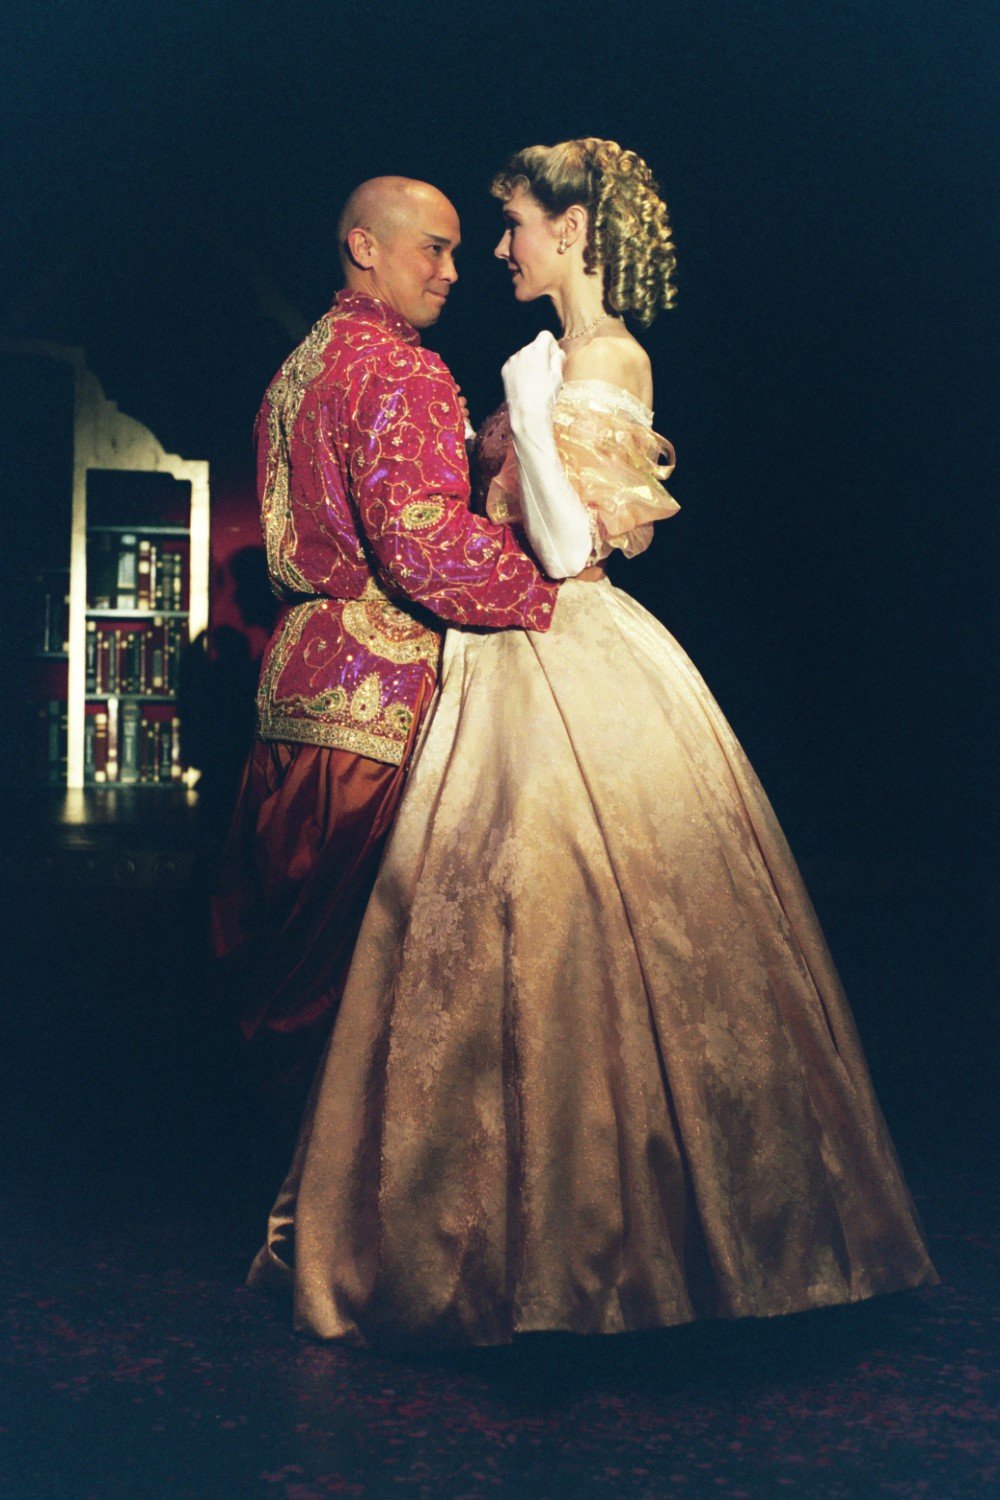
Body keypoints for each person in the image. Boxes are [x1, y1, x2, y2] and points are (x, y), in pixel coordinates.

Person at [248, 140, 938, 1346]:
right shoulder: (521, 357)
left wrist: (519, 411)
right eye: (476, 234)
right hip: (498, 653)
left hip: (565, 643)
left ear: (573, 233)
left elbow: (570, 552)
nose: (493, 252)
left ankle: (621, 1251)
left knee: (590, 928)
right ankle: (493, 1235)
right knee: (488, 938)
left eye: (510, 226)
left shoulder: (607, 357)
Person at [212, 177, 558, 1089]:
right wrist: (559, 585)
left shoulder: (302, 365)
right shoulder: (399, 368)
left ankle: (288, 1201)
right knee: (360, 997)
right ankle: (338, 1214)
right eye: (432, 248)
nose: (452, 271)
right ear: (365, 248)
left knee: (281, 968)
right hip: (378, 709)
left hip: (292, 701)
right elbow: (425, 549)